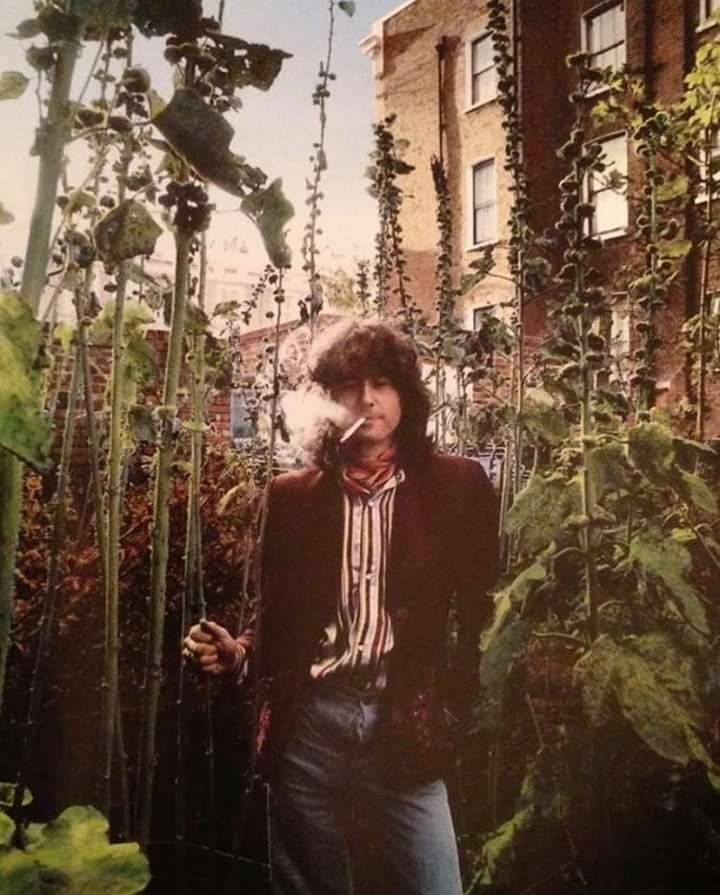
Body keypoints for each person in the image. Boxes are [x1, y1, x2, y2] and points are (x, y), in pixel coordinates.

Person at [183, 319, 500, 895]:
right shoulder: (292, 498)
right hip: (310, 729)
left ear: (407, 394)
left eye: (383, 382)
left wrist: (454, 702)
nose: (368, 399)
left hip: (404, 722)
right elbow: (274, 622)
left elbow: (487, 607)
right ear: (327, 402)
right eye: (349, 385)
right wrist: (237, 654)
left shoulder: (459, 485)